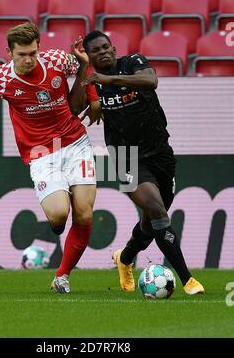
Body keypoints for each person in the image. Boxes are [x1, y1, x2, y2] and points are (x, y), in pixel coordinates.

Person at [0, 23, 96, 294]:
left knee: (83, 214)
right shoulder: (1, 78)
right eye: (21, 54)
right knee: (60, 215)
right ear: (9, 52)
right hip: (40, 153)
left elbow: (86, 69)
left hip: (75, 142)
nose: (28, 59)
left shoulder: (58, 60)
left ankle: (62, 276)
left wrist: (93, 100)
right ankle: (58, 217)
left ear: (39, 48)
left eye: (33, 53)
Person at [79, 30, 204, 295]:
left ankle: (125, 257)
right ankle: (188, 280)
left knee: (154, 218)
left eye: (105, 47)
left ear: (113, 48)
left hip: (160, 152)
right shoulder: (91, 82)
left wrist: (108, 78)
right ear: (89, 57)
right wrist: (84, 77)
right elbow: (74, 107)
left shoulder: (133, 62)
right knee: (158, 211)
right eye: (95, 51)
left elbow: (152, 80)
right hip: (127, 156)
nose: (103, 52)